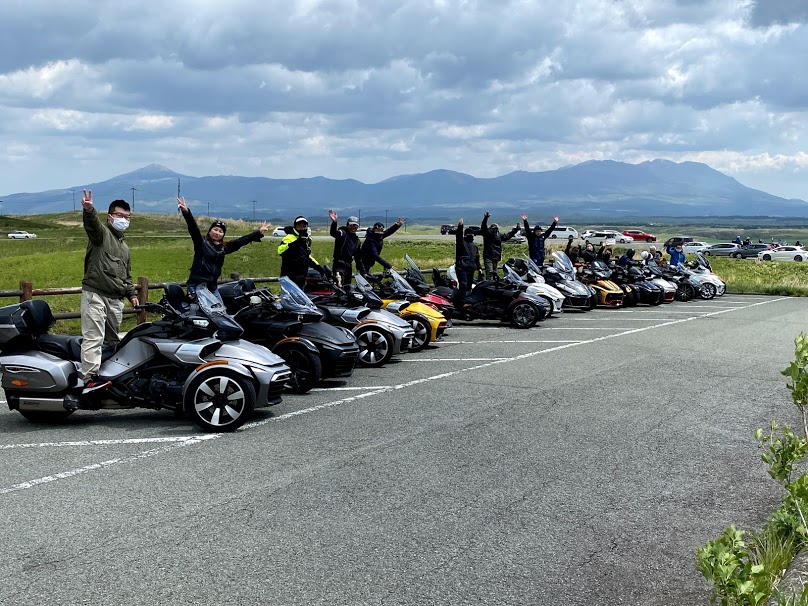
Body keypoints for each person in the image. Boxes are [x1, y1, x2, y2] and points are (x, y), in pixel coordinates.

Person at [79, 190, 138, 395]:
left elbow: (126, 275)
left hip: (115, 299)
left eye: (127, 217)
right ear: (110, 216)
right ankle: (90, 379)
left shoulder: (124, 247)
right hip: (95, 295)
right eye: (120, 215)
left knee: (113, 341)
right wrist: (89, 210)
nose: (124, 220)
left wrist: (132, 295)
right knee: (94, 337)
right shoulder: (102, 234)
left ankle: (111, 376)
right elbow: (92, 225)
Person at [178, 197, 268, 302]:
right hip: (197, 286)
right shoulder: (201, 243)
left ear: (223, 235)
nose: (217, 233)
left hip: (212, 287)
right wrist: (186, 212)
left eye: (220, 231)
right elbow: (193, 228)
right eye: (215, 229)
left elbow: (240, 241)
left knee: (221, 310)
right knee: (200, 310)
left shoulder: (223, 248)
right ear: (210, 231)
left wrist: (258, 233)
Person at [278, 216, 324, 289]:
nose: (302, 228)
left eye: (304, 226)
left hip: (301, 278)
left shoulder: (306, 239)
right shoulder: (289, 237)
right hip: (288, 278)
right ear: (295, 227)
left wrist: (319, 268)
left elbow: (307, 256)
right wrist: (295, 244)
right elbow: (280, 251)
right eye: (299, 226)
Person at [328, 210, 367, 286]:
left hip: (348, 267)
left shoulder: (357, 241)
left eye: (355, 226)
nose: (353, 227)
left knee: (347, 287)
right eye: (351, 225)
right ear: (347, 225)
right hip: (339, 265)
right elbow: (333, 233)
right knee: (339, 287)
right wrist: (334, 222)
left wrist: (364, 272)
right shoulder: (343, 233)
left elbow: (358, 259)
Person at [480, 212, 520, 278]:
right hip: (488, 257)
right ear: (490, 229)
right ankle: (489, 283)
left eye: (496, 229)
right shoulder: (487, 234)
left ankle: (493, 283)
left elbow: (507, 236)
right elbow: (483, 227)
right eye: (494, 229)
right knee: (490, 273)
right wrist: (485, 218)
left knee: (494, 273)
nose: (495, 230)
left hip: (496, 256)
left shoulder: (499, 235)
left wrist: (515, 230)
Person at [455, 218, 482, 297]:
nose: (471, 235)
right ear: (465, 234)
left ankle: (467, 299)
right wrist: (460, 226)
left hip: (471, 268)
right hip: (462, 268)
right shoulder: (461, 242)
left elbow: (477, 258)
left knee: (469, 286)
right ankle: (462, 300)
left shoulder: (474, 246)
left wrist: (479, 268)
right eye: (470, 234)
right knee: (463, 284)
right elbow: (459, 235)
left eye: (472, 234)